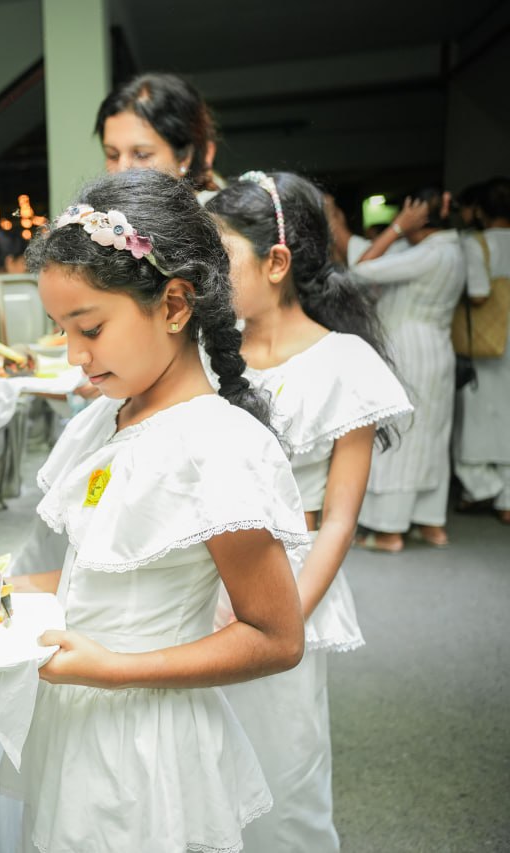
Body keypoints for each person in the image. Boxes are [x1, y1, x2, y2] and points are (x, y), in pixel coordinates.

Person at [0, 170, 307, 852]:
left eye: (90, 328)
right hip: (78, 713)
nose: (74, 356)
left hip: (146, 736)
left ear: (174, 303)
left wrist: (114, 668)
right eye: (61, 330)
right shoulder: (105, 419)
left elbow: (277, 636)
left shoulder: (217, 447)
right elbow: (105, 572)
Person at [206, 172, 413, 851]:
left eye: (220, 257)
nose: (205, 276)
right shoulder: (209, 353)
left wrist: (281, 618)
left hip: (288, 584)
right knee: (201, 765)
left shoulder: (343, 363)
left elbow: (338, 521)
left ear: (277, 262)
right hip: (201, 580)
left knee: (283, 765)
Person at [351, 189, 467, 550]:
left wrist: (397, 229)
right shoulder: (454, 249)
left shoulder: (430, 253)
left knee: (402, 435)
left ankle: (389, 530)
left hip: (408, 349)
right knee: (432, 434)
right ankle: (430, 524)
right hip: (437, 348)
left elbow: (359, 270)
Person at [454, 176, 510, 523]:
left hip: (490, 343)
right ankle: (507, 499)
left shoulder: (477, 245)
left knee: (476, 418)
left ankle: (482, 488)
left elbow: (478, 294)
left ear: (479, 212)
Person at [95, 72, 222, 201]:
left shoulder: (218, 219)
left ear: (185, 157)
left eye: (142, 155)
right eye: (113, 155)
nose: (122, 169)